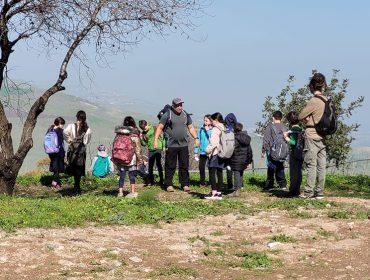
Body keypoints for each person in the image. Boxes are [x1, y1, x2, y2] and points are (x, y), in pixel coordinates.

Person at [154, 98, 199, 192]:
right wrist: (155, 140)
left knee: (184, 165)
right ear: (173, 105)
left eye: (181, 105)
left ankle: (185, 184)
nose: (180, 107)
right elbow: (160, 127)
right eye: (178, 105)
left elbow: (190, 127)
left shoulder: (185, 114)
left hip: (183, 144)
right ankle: (169, 184)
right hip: (171, 145)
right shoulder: (167, 114)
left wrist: (196, 138)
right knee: (170, 165)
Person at [298, 73, 328, 199]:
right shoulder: (326, 100)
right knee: (322, 165)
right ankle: (320, 192)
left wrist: (307, 119)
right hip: (323, 135)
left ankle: (308, 192)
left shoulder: (313, 101)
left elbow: (300, 116)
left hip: (312, 135)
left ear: (311, 86)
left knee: (311, 164)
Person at [114, 116, 143, 198]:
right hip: (131, 159)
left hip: (120, 158)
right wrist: (139, 159)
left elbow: (115, 145)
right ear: (133, 123)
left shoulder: (119, 133)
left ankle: (120, 192)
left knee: (122, 175)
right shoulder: (134, 134)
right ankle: (132, 192)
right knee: (132, 175)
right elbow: (137, 148)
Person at [64, 110, 92, 194]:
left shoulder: (71, 126)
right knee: (79, 168)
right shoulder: (87, 129)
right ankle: (77, 185)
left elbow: (65, 132)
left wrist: (69, 140)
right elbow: (86, 141)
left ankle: (75, 186)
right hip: (81, 152)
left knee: (72, 166)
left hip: (72, 150)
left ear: (77, 117)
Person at [261, 111, 288, 190]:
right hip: (282, 151)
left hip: (271, 150)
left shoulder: (270, 126)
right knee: (280, 167)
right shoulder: (285, 127)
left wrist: (263, 150)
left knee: (271, 167)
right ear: (281, 118)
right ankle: (282, 184)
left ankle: (269, 184)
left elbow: (266, 140)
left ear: (273, 117)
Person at [205, 112, 227, 200]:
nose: (212, 122)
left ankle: (213, 192)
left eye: (212, 120)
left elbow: (213, 142)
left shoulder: (215, 129)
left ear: (216, 120)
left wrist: (207, 150)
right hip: (222, 153)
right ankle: (219, 192)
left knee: (211, 173)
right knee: (219, 172)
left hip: (215, 153)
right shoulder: (224, 127)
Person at [229, 123, 253, 196]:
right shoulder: (246, 138)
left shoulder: (234, 137)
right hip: (244, 159)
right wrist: (249, 160)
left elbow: (232, 149)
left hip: (236, 159)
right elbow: (249, 150)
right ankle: (239, 188)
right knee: (240, 173)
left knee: (236, 174)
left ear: (234, 129)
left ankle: (236, 191)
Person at [284, 111, 304, 197]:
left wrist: (286, 138)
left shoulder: (292, 130)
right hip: (301, 153)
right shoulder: (301, 129)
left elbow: (293, 142)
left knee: (293, 172)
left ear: (289, 121)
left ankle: (293, 190)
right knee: (299, 172)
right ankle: (297, 189)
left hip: (294, 153)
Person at [139, 120, 165, 186]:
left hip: (158, 148)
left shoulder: (154, 128)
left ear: (147, 124)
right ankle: (151, 181)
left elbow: (162, 137)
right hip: (150, 149)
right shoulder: (143, 133)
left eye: (144, 127)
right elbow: (144, 144)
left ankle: (161, 180)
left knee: (158, 164)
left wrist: (164, 146)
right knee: (150, 166)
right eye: (142, 128)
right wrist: (141, 138)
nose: (144, 129)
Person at [46, 117, 66, 188]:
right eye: (62, 124)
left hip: (50, 152)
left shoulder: (50, 129)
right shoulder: (60, 131)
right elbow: (62, 141)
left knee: (55, 167)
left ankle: (55, 181)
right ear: (59, 123)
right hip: (58, 152)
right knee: (58, 168)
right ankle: (55, 183)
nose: (63, 126)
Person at [194, 114, 213, 187]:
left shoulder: (213, 129)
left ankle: (212, 182)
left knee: (211, 167)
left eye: (206, 120)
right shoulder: (201, 129)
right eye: (204, 120)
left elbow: (212, 138)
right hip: (202, 151)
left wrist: (208, 130)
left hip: (210, 151)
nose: (205, 122)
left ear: (210, 121)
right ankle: (202, 182)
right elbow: (198, 140)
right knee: (201, 167)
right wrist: (196, 151)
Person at [225, 113, 238, 190]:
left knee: (229, 168)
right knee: (237, 169)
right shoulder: (237, 129)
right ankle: (239, 185)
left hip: (228, 152)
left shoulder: (226, 130)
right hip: (236, 152)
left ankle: (230, 185)